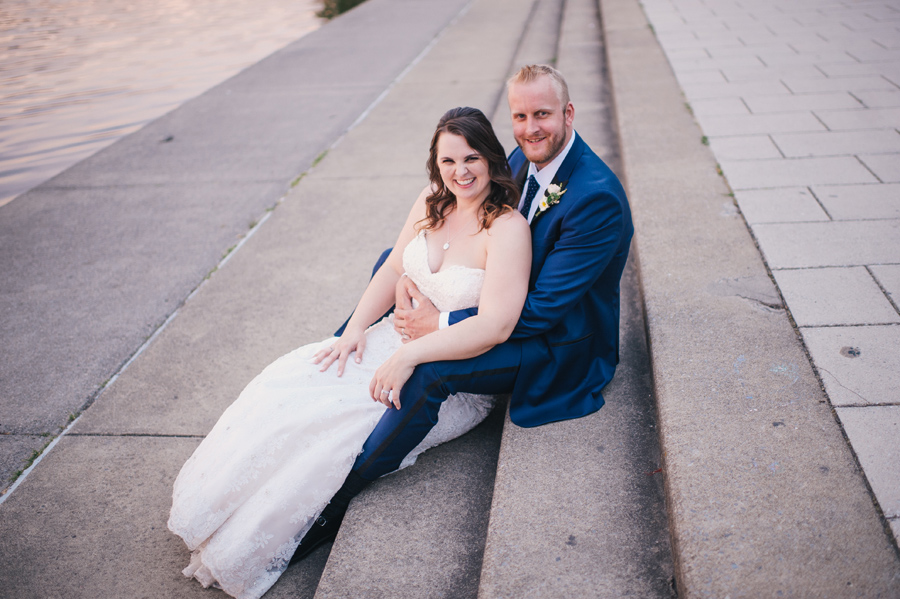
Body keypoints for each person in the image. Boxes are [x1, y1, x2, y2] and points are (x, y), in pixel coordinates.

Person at [168, 107, 532, 599]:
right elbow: (390, 270)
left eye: (471, 158)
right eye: (448, 160)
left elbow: (497, 325)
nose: (460, 172)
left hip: (446, 373)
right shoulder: (431, 200)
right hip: (387, 341)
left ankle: (265, 538)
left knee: (328, 429)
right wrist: (354, 330)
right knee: (287, 383)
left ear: (490, 157)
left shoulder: (506, 227)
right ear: (435, 164)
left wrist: (409, 357)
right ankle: (221, 510)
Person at [294, 64, 634, 560]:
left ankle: (342, 494)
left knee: (429, 369)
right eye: (520, 115)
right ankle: (344, 363)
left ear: (568, 113)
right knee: (393, 269)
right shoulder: (524, 157)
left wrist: (441, 321)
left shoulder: (595, 199)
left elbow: (538, 312)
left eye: (542, 114)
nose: (530, 128)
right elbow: (470, 231)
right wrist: (414, 281)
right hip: (502, 300)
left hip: (553, 341)